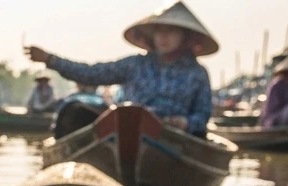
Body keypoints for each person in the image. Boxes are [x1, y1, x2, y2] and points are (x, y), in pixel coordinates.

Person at [26, 0, 217, 136]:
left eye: (171, 31)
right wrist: (50, 59)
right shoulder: (135, 64)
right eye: (159, 30)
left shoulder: (197, 73)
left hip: (175, 138)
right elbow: (92, 74)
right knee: (75, 110)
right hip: (128, 128)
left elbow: (202, 115)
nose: (163, 36)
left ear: (186, 36)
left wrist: (186, 124)